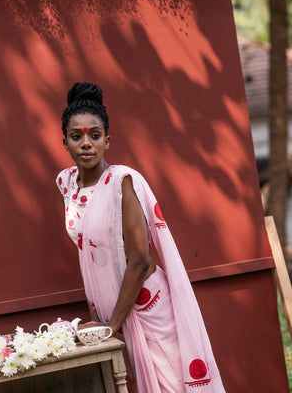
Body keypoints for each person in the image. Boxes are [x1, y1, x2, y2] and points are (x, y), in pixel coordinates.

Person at [56, 82, 226, 393]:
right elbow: (91, 253)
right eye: (76, 136)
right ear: (64, 141)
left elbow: (138, 261)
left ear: (108, 140)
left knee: (174, 386)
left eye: (95, 136)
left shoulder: (122, 182)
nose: (86, 144)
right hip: (112, 312)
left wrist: (110, 327)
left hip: (146, 306)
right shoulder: (67, 184)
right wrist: (103, 321)